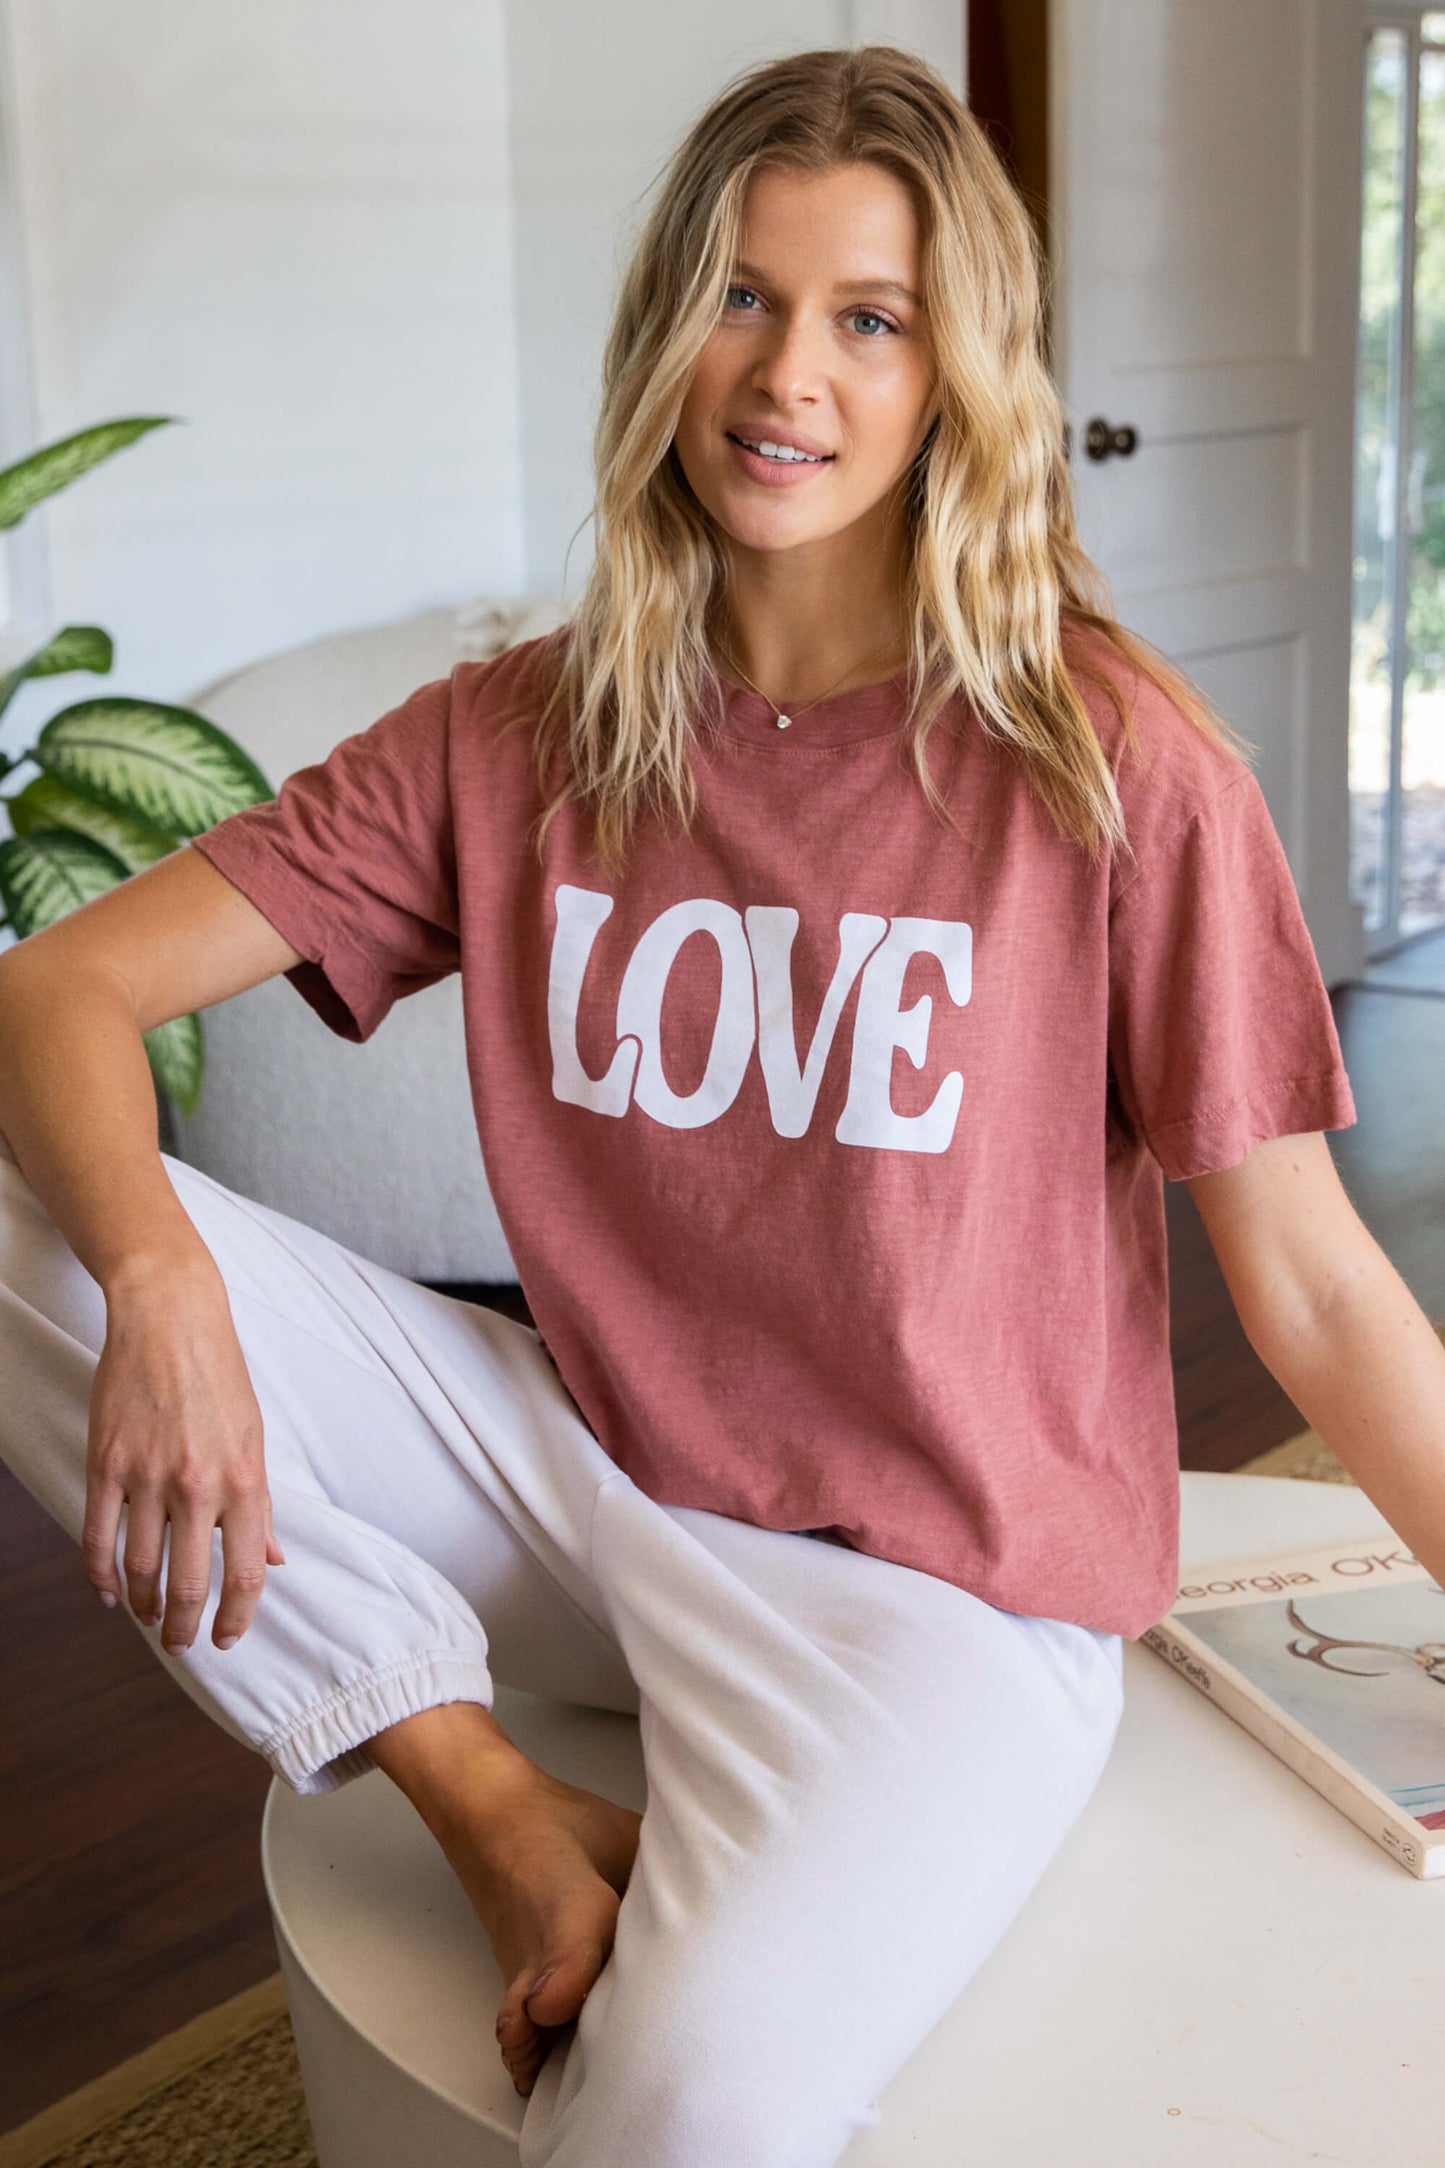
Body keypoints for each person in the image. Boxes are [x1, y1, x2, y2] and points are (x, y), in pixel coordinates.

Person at [2, 40, 1443, 2168]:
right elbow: (60, 984)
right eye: (742, 298)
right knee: (35, 1224)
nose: (788, 374)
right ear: (664, 332)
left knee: (678, 2110)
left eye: (871, 319)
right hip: (579, 1488)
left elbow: (1310, 1285)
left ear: (958, 378)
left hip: (945, 1602)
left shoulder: (1112, 767)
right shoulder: (523, 727)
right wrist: (158, 1278)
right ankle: (494, 1801)